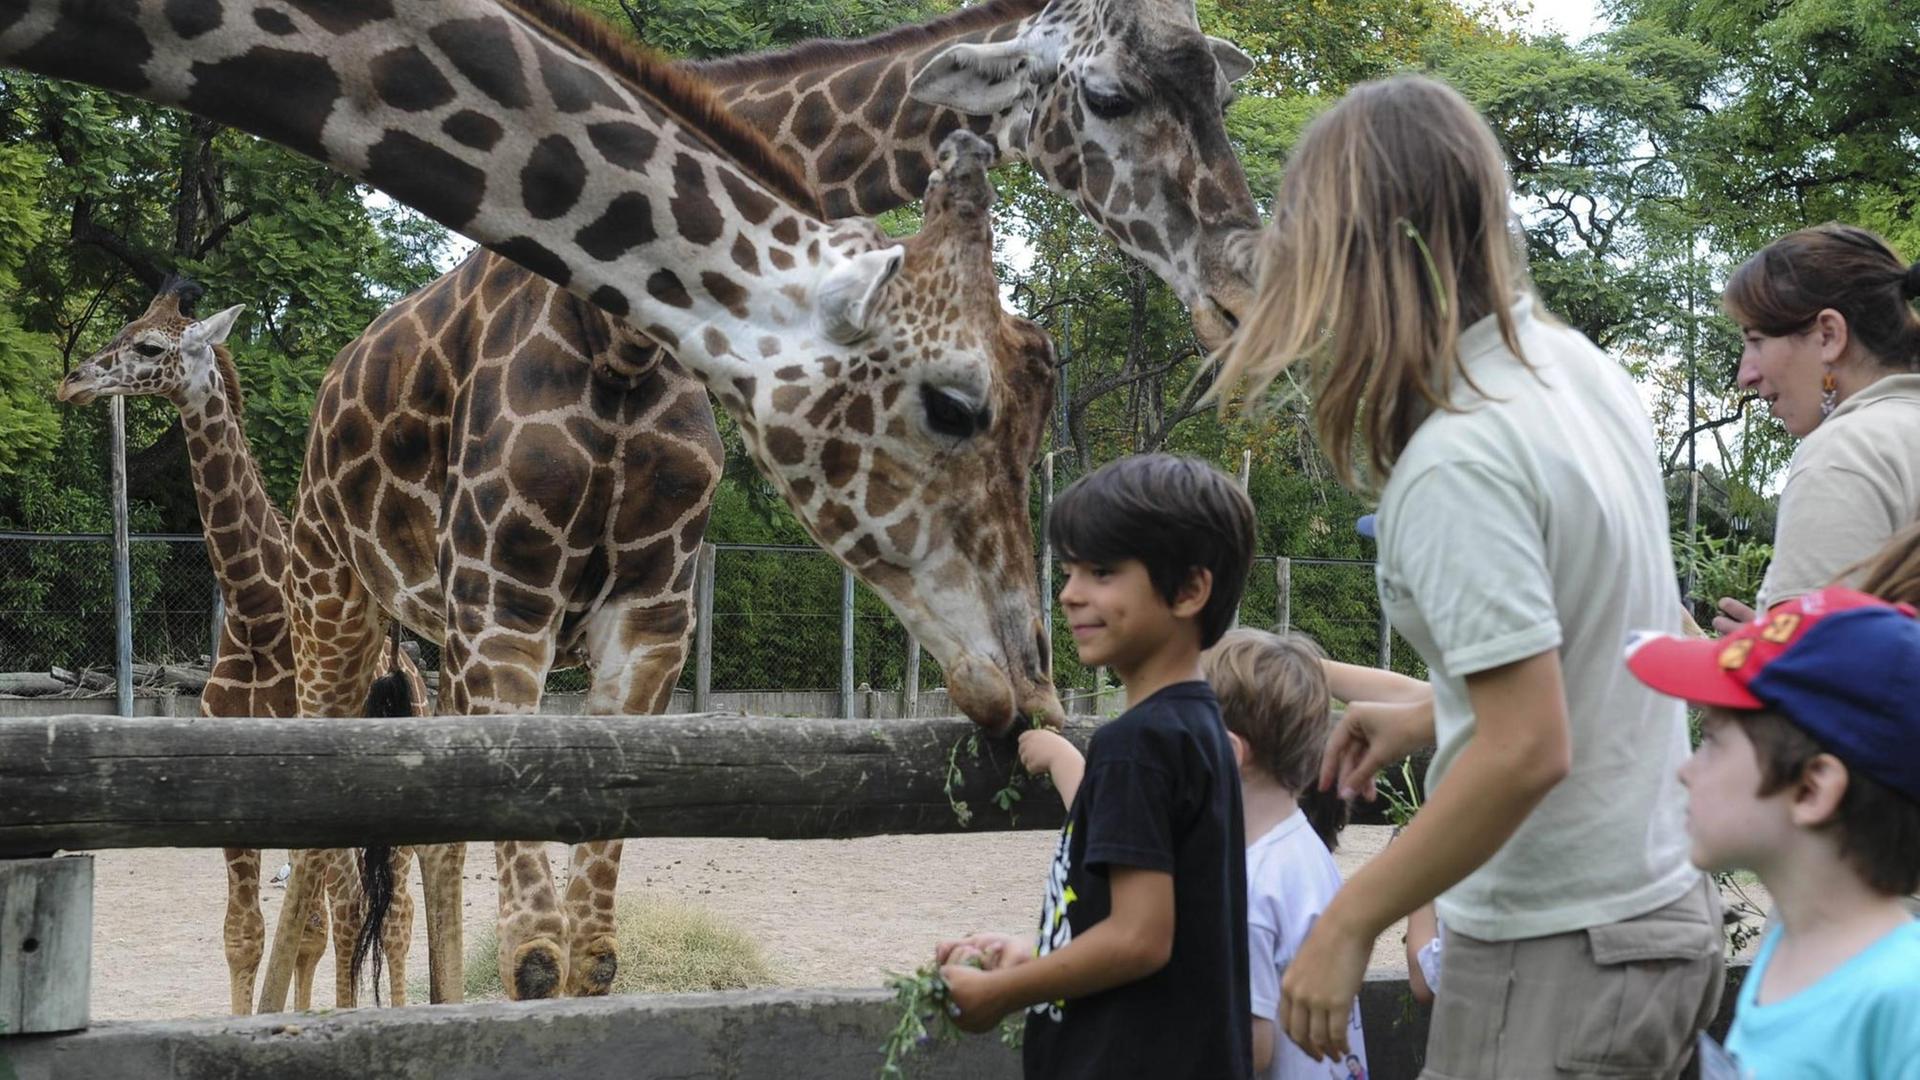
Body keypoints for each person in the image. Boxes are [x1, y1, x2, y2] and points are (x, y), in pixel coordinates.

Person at [1211, 74, 1722, 1074]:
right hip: (1658, 916)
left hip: (1558, 951)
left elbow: (1529, 749)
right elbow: (1605, 638)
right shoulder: (1575, 372)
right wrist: (1440, 711)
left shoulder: (1458, 459)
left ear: (1350, 258)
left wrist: (1350, 918)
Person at [931, 453, 1256, 1080]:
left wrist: (1003, 995)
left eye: (1102, 572)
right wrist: (1036, 957)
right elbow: (1155, 929)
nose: (1070, 593)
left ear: (1190, 589)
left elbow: (1140, 938)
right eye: (1072, 570)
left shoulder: (1137, 744)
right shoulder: (1196, 725)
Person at [1025, 627, 1371, 1079]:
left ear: (1225, 751)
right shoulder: (1299, 845)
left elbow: (1250, 1046)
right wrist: (1064, 763)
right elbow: (1129, 831)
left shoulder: (1245, 889)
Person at [1625, 586, 1920, 1078]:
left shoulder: (1903, 1000)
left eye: (1713, 743)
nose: (1685, 771)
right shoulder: (1788, 954)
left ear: (1810, 789)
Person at [1711, 224, 1920, 634]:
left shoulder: (1845, 452)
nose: (1745, 375)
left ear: (1828, 335)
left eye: (1755, 340)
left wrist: (1711, 657)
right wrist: (1774, 646)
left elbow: (1820, 691)